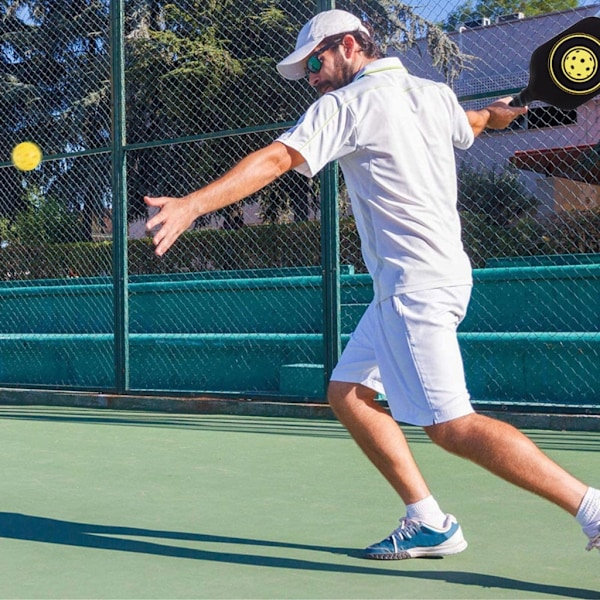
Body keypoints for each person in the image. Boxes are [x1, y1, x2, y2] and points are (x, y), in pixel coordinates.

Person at [145, 9, 600, 560]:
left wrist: (192, 204)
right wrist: (499, 114)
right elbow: (475, 122)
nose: (310, 76)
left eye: (314, 61)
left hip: (414, 285)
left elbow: (276, 158)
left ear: (348, 46)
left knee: (452, 425)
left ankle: (591, 508)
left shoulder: (346, 105)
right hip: (437, 276)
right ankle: (429, 521)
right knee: (350, 392)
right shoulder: (432, 95)